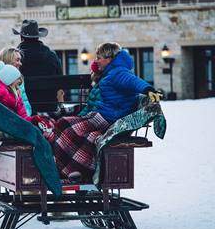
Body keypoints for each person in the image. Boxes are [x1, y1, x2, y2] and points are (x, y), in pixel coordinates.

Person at [35, 42, 161, 183]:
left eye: (99, 57)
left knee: (65, 124)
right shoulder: (112, 72)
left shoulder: (118, 72)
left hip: (108, 118)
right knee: (78, 131)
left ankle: (62, 168)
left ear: (109, 58)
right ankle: (70, 169)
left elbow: (133, 81)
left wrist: (149, 89)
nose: (97, 61)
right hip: (103, 116)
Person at [12, 19, 63, 99]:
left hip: (23, 107)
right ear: (38, 37)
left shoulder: (13, 58)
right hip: (50, 105)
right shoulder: (52, 56)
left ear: (21, 37)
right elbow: (61, 82)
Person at [0, 47, 33, 115]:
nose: (20, 63)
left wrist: (24, 119)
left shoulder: (17, 78)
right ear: (8, 60)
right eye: (17, 60)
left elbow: (25, 103)